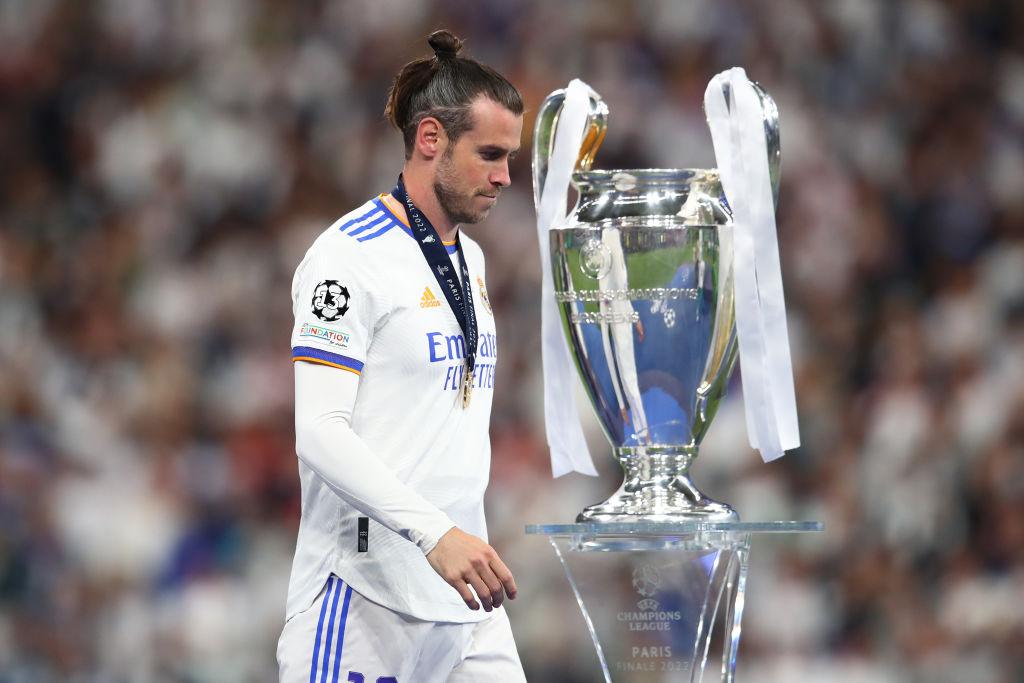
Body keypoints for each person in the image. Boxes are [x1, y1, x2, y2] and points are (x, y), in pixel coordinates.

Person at [276, 29, 527, 683]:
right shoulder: (348, 257)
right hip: (363, 599)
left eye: (510, 157)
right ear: (431, 139)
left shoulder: (470, 260)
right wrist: (434, 533)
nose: (505, 176)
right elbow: (318, 430)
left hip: (466, 602)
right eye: (491, 154)